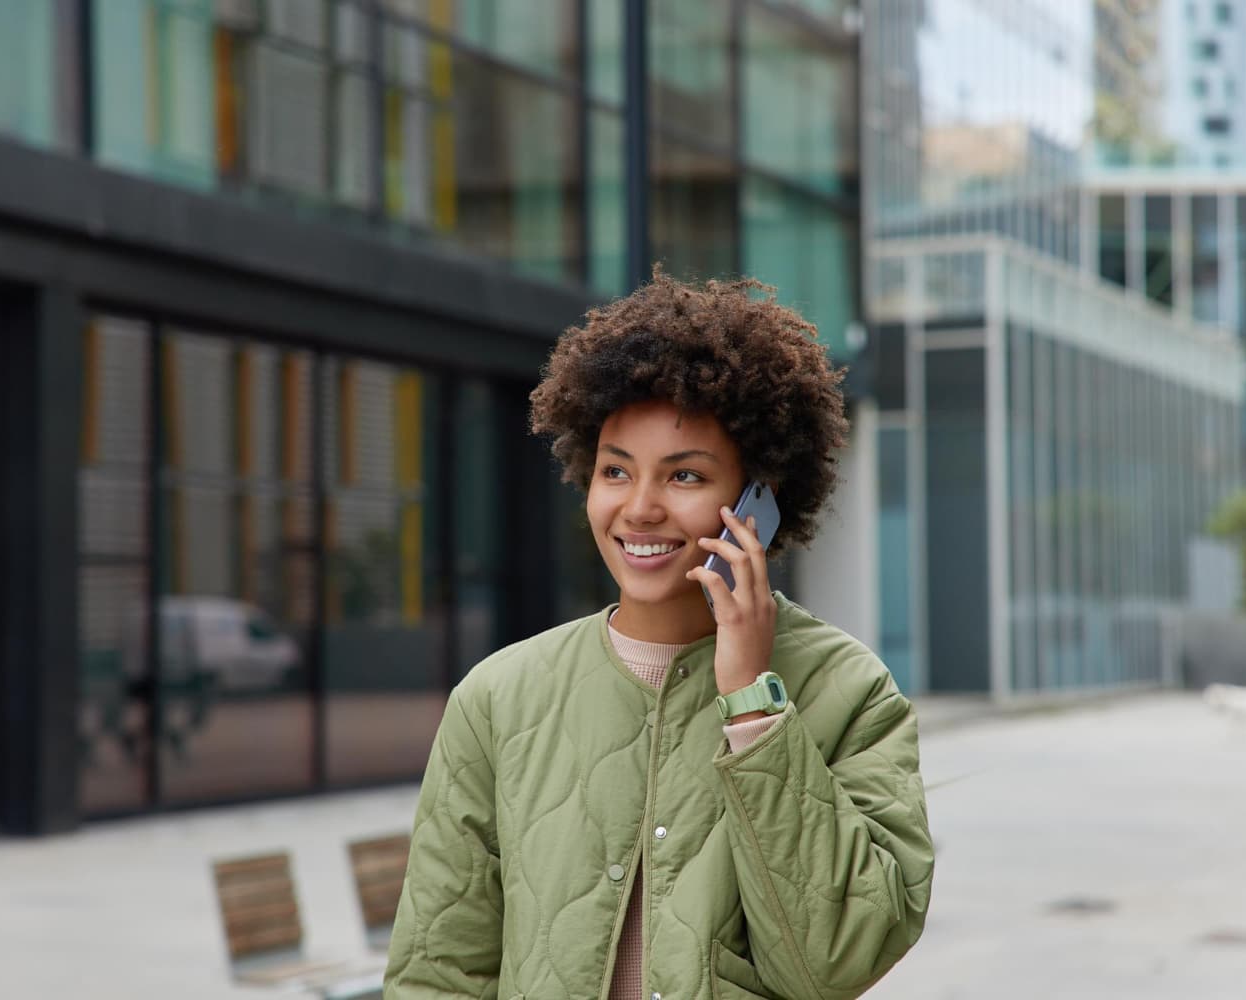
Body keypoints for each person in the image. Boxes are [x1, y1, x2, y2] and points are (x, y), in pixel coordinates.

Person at [385, 269, 934, 999]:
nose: (638, 509)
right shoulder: (497, 698)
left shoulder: (851, 692)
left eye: (683, 477)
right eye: (616, 471)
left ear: (760, 498)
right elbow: (438, 970)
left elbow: (837, 961)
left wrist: (753, 706)